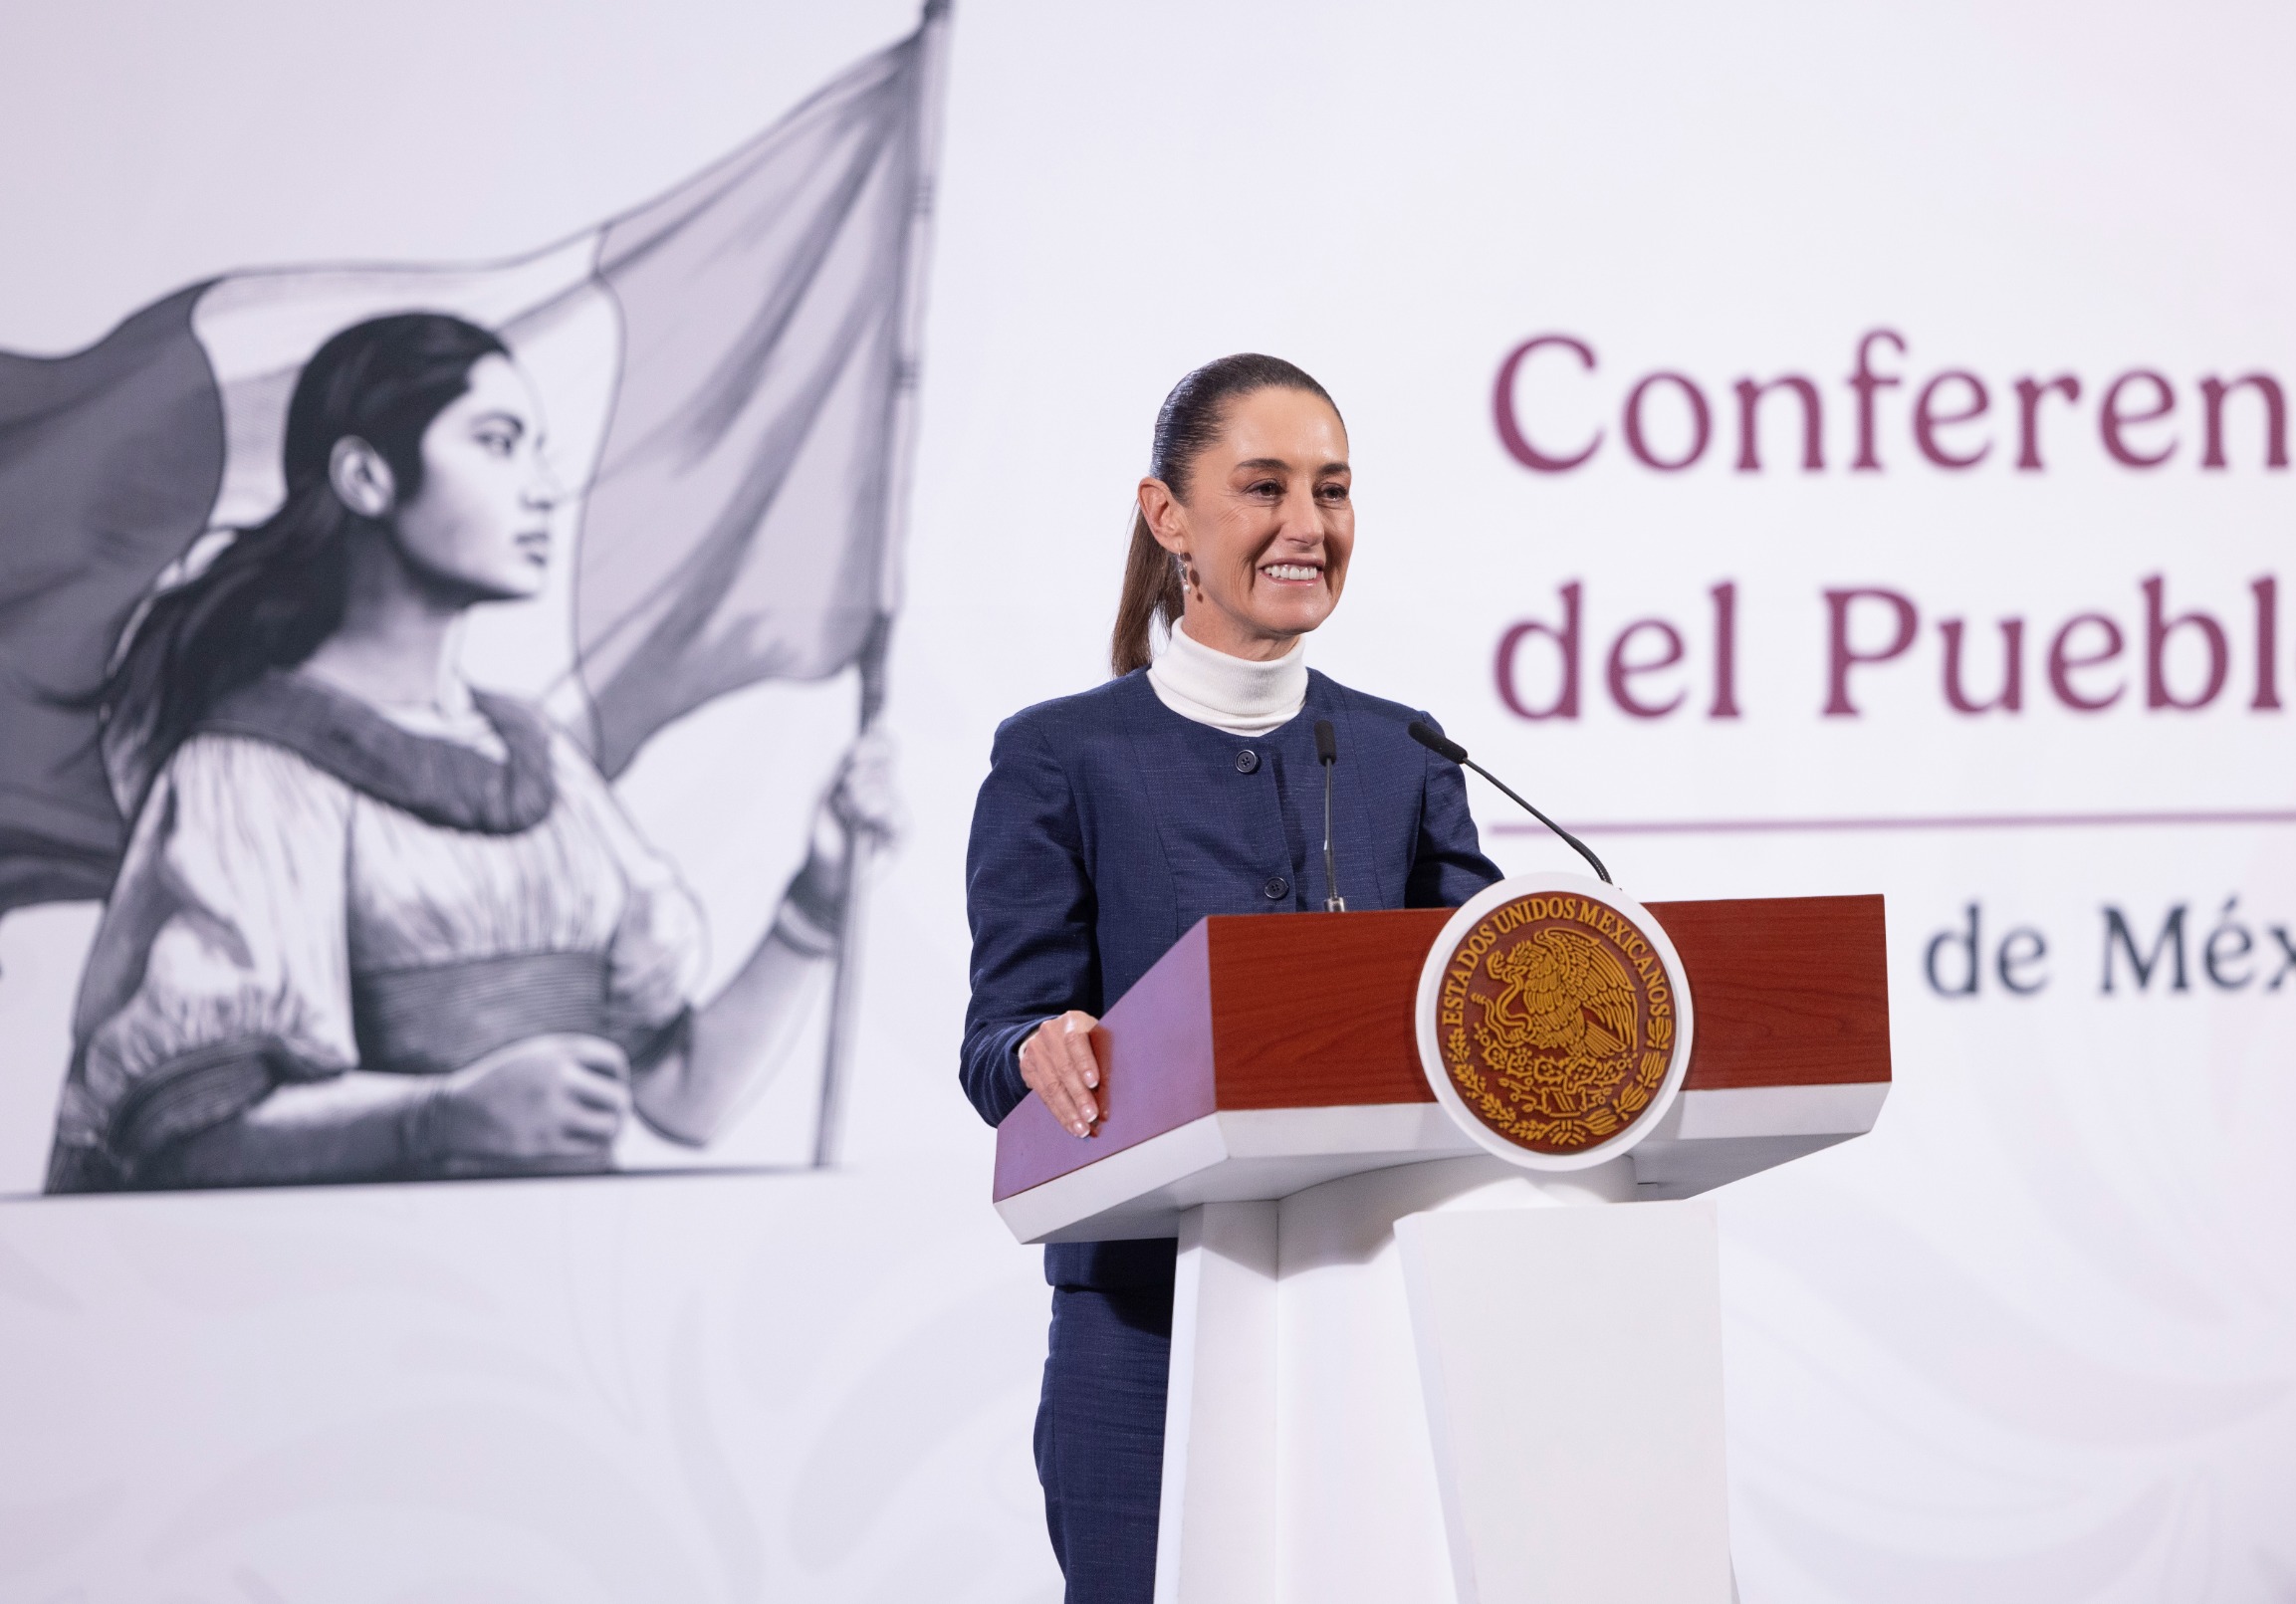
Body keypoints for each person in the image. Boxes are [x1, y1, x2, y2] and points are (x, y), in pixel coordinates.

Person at [48, 312, 885, 1192]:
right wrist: (439, 1115)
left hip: (559, 1298)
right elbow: (188, 1139)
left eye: (535, 448)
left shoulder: (547, 766)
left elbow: (685, 1097)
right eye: (497, 442)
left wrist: (819, 898)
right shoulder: (249, 772)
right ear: (366, 476)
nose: (541, 488)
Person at [960, 353, 1501, 1602]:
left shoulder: (1405, 752)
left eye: (1333, 489)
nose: (1307, 526)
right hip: (1141, 1328)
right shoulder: (1059, 757)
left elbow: (1483, 1001)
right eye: (1264, 487)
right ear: (1169, 519)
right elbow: (997, 1045)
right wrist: (1040, 1049)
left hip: (1379, 1303)